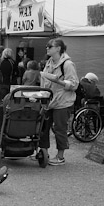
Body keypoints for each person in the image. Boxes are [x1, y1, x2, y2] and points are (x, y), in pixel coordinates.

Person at [37, 38, 79, 166]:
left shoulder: (67, 64)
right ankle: (43, 153)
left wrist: (58, 81)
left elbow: (74, 84)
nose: (47, 48)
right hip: (49, 101)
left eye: (50, 46)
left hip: (62, 102)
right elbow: (44, 82)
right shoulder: (49, 62)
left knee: (59, 129)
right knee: (43, 127)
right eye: (47, 46)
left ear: (58, 48)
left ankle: (60, 157)